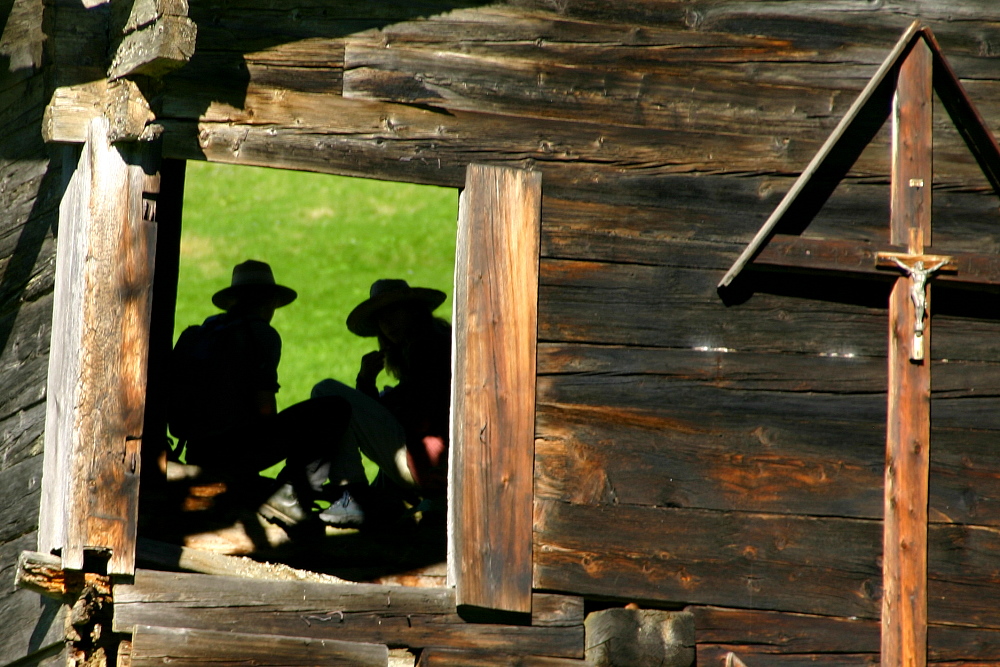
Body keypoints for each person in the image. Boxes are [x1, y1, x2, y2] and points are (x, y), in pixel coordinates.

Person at [167, 260, 360, 527]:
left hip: (197, 452)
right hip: (236, 452)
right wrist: (280, 443)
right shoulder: (261, 334)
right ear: (270, 301)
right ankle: (292, 494)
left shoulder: (201, 333)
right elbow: (265, 408)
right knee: (335, 409)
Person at [347, 279, 452, 501]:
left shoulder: (430, 350)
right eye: (381, 318)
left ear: (414, 312)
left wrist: (366, 382)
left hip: (432, 465)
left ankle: (353, 496)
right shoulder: (425, 347)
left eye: (394, 313)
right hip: (432, 464)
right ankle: (377, 497)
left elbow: (411, 413)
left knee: (329, 394)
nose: (387, 323)